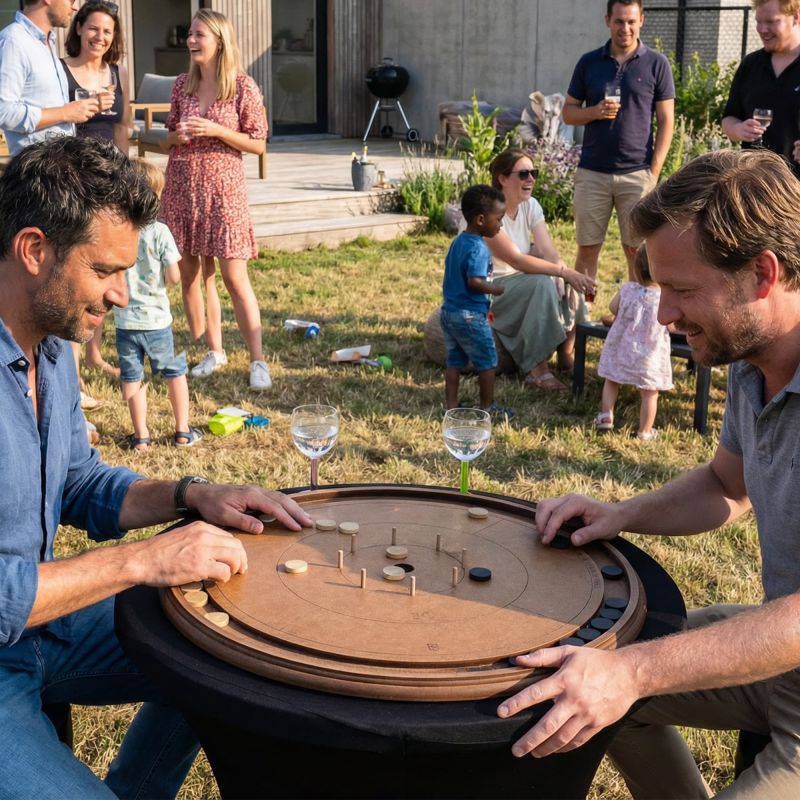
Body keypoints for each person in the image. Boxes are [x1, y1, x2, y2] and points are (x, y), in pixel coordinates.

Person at [0, 135, 313, 799]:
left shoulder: (49, 345)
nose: (121, 295)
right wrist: (140, 562)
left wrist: (193, 494)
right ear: (34, 250)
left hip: (41, 628)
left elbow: (79, 482)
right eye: (106, 270)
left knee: (228, 652)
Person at [496, 147, 800, 798]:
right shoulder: (752, 360)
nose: (663, 317)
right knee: (592, 685)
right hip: (782, 658)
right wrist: (620, 515)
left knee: (621, 674)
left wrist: (636, 671)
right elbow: (727, 486)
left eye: (683, 291)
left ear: (763, 273)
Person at [161, 9, 271, 392]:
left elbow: (258, 143)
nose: (190, 40)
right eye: (189, 34)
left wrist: (216, 129)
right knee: (194, 273)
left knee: (233, 276)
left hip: (224, 190)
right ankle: (213, 350)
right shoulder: (181, 86)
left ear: (219, 40)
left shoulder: (242, 86)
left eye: (198, 35)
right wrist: (177, 136)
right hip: (182, 185)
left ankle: (258, 360)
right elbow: (168, 136)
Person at [562, 0, 675, 283]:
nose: (625, 28)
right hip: (592, 172)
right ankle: (581, 318)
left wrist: (654, 171)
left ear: (641, 21)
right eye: (619, 21)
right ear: (607, 21)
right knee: (587, 249)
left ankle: (635, 321)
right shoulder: (589, 62)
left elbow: (666, 122)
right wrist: (594, 112)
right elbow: (568, 113)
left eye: (631, 21)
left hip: (637, 173)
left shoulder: (657, 64)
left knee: (636, 252)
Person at [481, 149, 595, 392]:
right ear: (502, 178)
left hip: (517, 280)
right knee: (544, 282)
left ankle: (566, 356)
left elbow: (547, 250)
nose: (531, 179)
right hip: (489, 289)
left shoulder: (530, 205)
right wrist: (559, 272)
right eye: (523, 174)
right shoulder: (488, 211)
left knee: (568, 280)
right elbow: (517, 260)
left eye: (534, 173)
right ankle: (538, 371)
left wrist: (563, 271)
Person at [62, 0, 132, 384]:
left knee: (104, 271)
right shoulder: (62, 70)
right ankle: (71, 367)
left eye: (107, 31)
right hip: (75, 181)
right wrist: (83, 106)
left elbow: (122, 127)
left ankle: (94, 354)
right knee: (77, 273)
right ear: (79, 29)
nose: (100, 37)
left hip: (110, 183)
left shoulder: (117, 72)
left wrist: (125, 175)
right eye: (93, 28)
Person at [114, 159, 202, 451]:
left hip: (125, 321)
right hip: (156, 321)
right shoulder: (160, 232)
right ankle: (182, 431)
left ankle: (141, 436)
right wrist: (165, 278)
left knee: (132, 377)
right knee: (173, 372)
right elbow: (175, 275)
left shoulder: (118, 231)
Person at [441, 184, 511, 415]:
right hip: (470, 315)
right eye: (499, 219)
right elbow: (475, 281)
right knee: (487, 361)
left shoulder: (459, 241)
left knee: (454, 361)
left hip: (448, 312)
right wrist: (495, 288)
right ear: (481, 219)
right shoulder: (479, 248)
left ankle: (451, 406)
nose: (500, 224)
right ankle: (488, 406)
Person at [0, 0, 99, 155]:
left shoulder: (47, 42)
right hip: (35, 170)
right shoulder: (13, 41)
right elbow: (4, 112)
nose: (74, 7)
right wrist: (65, 113)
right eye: (71, 0)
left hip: (58, 164)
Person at [594, 245, 672, 440]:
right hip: (650, 356)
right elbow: (671, 326)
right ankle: (645, 431)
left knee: (612, 380)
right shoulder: (664, 298)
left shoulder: (628, 289)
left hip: (621, 348)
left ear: (636, 269)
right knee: (649, 392)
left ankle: (606, 417)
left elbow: (613, 308)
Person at [722, 0, 800, 178]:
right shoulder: (751, 65)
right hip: (755, 184)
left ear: (796, 17)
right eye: (758, 21)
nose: (762, 29)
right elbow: (729, 118)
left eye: (771, 22)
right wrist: (739, 129)